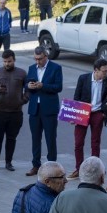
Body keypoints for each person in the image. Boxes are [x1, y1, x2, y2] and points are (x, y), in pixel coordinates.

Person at [25, 46, 63, 177]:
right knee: (35, 138)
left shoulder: (56, 68)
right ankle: (36, 165)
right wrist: (29, 86)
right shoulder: (31, 68)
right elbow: (27, 84)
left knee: (50, 138)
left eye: (40, 59)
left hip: (49, 109)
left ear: (46, 56)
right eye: (35, 59)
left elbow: (58, 87)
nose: (37, 62)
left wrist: (43, 86)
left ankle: (52, 166)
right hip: (35, 109)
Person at [71, 58, 107, 178]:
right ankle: (78, 168)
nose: (106, 73)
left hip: (98, 113)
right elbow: (76, 96)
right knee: (78, 142)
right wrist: (75, 114)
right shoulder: (83, 78)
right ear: (96, 70)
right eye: (104, 71)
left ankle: (96, 170)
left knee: (95, 142)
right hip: (83, 112)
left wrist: (104, 114)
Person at [0, 50, 28, 171]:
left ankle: (8, 162)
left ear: (14, 60)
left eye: (9, 61)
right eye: (5, 61)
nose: (7, 64)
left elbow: (28, 88)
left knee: (11, 138)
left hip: (16, 112)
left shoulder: (22, 73)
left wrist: (24, 99)